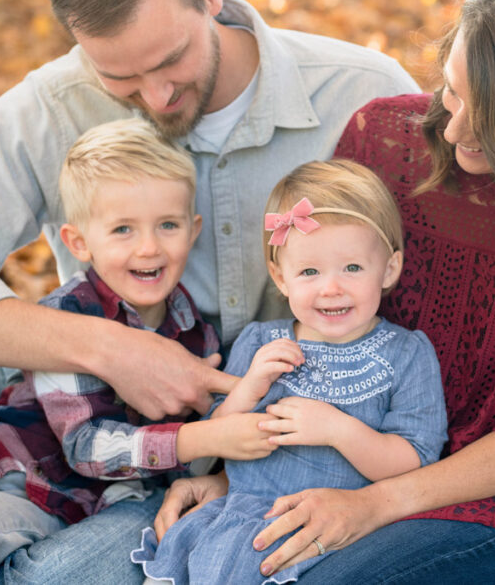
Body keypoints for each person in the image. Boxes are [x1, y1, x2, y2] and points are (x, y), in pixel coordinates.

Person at [0, 0, 418, 580]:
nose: (158, 96)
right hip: (82, 416)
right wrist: (109, 345)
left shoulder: (365, 96)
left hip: (213, 465)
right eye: (120, 81)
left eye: (171, 60)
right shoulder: (52, 104)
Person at [155, 0, 495, 583]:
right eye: (452, 90)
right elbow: (322, 335)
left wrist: (374, 506)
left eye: (489, 117)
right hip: (338, 470)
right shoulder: (385, 139)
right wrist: (239, 480)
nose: (453, 127)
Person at [0, 119, 248, 582]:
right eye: (123, 230)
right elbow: (86, 446)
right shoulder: (70, 315)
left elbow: (186, 469)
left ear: (193, 230)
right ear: (79, 242)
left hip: (51, 504)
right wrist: (201, 439)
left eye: (168, 225)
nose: (150, 247)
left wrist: (226, 421)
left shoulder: (197, 336)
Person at [131, 159, 447, 584]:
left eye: (352, 268)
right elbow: (208, 452)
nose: (330, 287)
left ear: (389, 269)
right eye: (309, 271)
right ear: (281, 277)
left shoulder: (407, 353)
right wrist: (248, 389)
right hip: (241, 523)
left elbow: (416, 462)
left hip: (343, 531)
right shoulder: (261, 343)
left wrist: (338, 429)